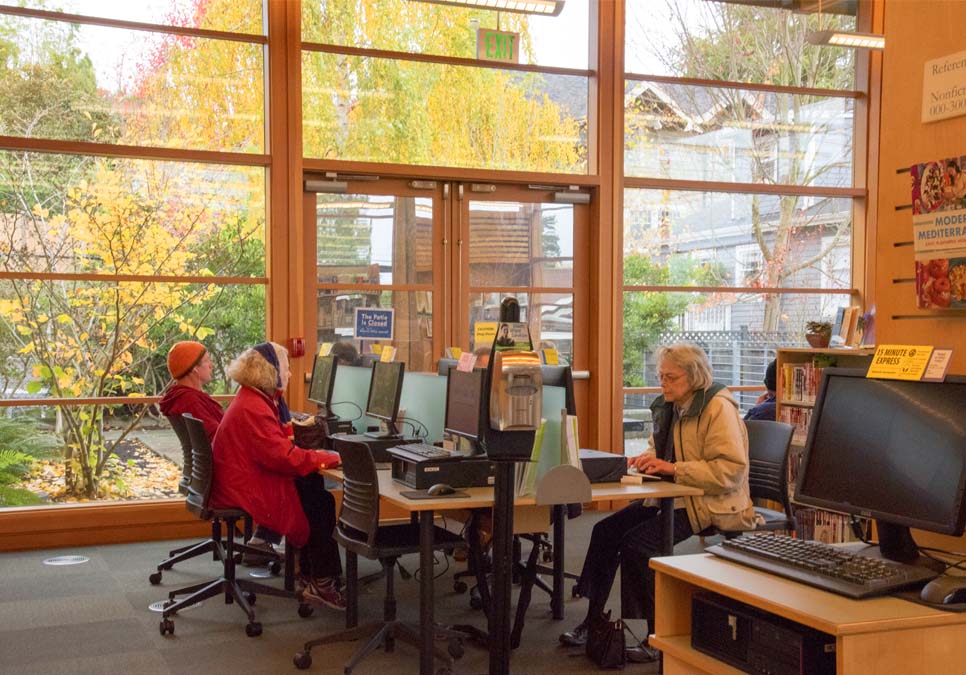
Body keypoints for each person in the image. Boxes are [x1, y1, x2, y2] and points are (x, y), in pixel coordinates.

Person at [559, 343, 756, 663]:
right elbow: (658, 449)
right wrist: (647, 460)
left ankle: (656, 635)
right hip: (673, 496)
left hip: (711, 502)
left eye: (670, 377)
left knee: (639, 545)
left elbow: (731, 472)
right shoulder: (671, 405)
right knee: (604, 531)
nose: (662, 383)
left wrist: (674, 469)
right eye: (660, 375)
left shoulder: (718, 408)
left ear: (693, 377)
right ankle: (592, 621)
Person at [210, 341, 346, 610]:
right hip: (243, 486)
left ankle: (312, 574)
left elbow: (278, 452)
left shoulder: (253, 399)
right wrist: (330, 457)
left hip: (237, 478)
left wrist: (315, 458)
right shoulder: (255, 407)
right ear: (270, 370)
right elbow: (283, 457)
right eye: (286, 367)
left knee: (312, 487)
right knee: (319, 500)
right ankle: (321, 580)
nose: (291, 373)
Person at [158, 341, 223, 440]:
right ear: (194, 368)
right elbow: (219, 437)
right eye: (207, 360)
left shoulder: (181, 397)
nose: (211, 365)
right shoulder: (190, 401)